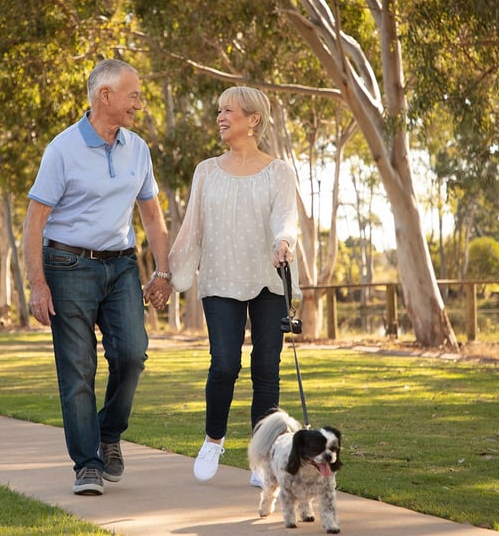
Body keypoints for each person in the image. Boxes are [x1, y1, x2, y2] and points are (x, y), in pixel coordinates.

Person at [23, 58, 173, 497]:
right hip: (67, 266)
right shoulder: (62, 149)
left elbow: (151, 214)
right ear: (104, 96)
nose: (140, 104)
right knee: (78, 370)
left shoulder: (138, 148)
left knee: (132, 354)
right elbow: (35, 220)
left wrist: (162, 271)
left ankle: (109, 434)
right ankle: (87, 464)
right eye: (134, 95)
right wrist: (37, 283)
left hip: (121, 264)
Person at [167, 85, 301, 487]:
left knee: (266, 368)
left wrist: (284, 241)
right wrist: (170, 276)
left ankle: (263, 460)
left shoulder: (279, 170)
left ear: (253, 119)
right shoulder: (206, 171)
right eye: (219, 111)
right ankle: (214, 439)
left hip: (267, 277)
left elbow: (286, 215)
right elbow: (192, 228)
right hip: (221, 278)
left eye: (229, 111)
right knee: (224, 364)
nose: (221, 117)